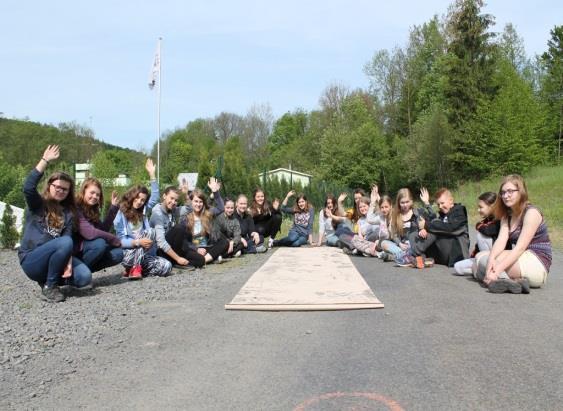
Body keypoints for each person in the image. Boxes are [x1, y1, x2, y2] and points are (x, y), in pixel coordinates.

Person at [19, 145, 90, 302]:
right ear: (49, 186)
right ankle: (50, 286)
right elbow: (28, 187)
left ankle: (48, 279)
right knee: (64, 241)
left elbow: (68, 242)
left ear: (68, 192)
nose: (60, 190)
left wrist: (69, 262)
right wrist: (44, 161)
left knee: (84, 277)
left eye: (64, 189)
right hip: (32, 259)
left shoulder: (69, 213)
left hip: (55, 257)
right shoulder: (38, 204)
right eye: (56, 186)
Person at [478, 175, 552, 294]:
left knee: (482, 263)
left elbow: (519, 248)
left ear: (521, 191)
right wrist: (491, 260)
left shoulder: (531, 213)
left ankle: (500, 278)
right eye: (503, 193)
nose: (505, 196)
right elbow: (501, 241)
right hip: (522, 258)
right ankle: (514, 283)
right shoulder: (507, 215)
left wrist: (496, 270)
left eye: (510, 191)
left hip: (537, 262)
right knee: (481, 257)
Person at [113, 159, 172, 279]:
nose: (140, 202)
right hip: (129, 254)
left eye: (143, 200)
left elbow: (155, 196)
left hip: (144, 255)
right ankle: (133, 267)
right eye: (138, 198)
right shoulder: (121, 214)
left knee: (167, 266)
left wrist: (152, 175)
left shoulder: (143, 211)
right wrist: (137, 242)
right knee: (151, 231)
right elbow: (120, 241)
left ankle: (136, 269)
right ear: (132, 196)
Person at [165, 188, 229, 267]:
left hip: (206, 247)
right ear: (191, 202)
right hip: (192, 248)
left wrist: (215, 192)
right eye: (196, 201)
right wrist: (196, 249)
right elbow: (183, 240)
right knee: (197, 258)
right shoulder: (185, 218)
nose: (198, 204)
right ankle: (208, 259)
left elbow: (221, 208)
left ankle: (205, 259)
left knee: (224, 242)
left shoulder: (207, 213)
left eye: (200, 202)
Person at [408, 188, 470, 267]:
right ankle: (421, 259)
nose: (440, 206)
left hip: (456, 253)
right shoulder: (443, 214)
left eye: (442, 203)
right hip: (443, 252)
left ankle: (414, 253)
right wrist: (424, 229)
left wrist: (427, 225)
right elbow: (434, 220)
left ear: (451, 200)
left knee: (435, 226)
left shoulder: (459, 212)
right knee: (413, 234)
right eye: (438, 204)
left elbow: (452, 228)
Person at [74, 178, 123, 276]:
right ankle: (77, 274)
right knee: (99, 244)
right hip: (75, 252)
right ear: (83, 191)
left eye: (97, 194)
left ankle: (85, 273)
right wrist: (114, 239)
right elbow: (90, 233)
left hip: (88, 249)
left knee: (119, 253)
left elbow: (102, 230)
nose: (95, 196)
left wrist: (113, 208)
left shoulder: (92, 209)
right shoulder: (75, 207)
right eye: (92, 193)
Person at [453, 192, 499, 275]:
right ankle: (480, 270)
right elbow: (478, 246)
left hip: (496, 257)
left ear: (492, 207)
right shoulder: (485, 221)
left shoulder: (499, 220)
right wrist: (473, 256)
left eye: (481, 207)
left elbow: (487, 230)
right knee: (457, 267)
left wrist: (478, 225)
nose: (478, 210)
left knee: (481, 235)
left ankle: (486, 267)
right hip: (482, 256)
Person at [380, 188, 427, 263]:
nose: (405, 205)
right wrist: (400, 244)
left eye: (407, 202)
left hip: (413, 246)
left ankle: (395, 257)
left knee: (416, 250)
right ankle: (404, 256)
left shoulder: (417, 213)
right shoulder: (396, 215)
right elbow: (394, 234)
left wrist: (422, 229)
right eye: (402, 202)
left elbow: (425, 224)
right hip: (401, 246)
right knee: (383, 243)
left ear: (411, 201)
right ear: (398, 203)